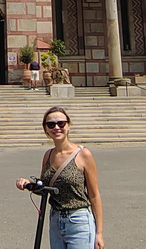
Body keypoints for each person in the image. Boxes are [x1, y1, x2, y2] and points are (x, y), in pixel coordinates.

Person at [15, 107, 104, 249]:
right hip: (55, 219)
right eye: (51, 124)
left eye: (61, 123)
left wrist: (99, 233)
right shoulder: (48, 155)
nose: (57, 127)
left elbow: (94, 195)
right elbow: (43, 187)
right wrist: (28, 184)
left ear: (68, 125)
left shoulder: (83, 155)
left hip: (78, 219)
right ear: (46, 129)